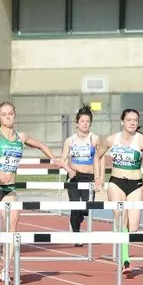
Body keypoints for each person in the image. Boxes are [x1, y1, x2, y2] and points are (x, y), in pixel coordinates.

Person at [0, 101, 67, 282]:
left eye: (11, 114)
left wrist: (53, 159)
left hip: (9, 190)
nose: (8, 117)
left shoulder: (21, 137)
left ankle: (6, 270)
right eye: (4, 114)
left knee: (12, 229)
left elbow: (41, 145)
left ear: (15, 115)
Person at [94, 108, 143, 276]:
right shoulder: (111, 139)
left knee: (134, 227)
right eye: (129, 120)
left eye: (135, 120)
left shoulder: (141, 140)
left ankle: (123, 246)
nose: (132, 123)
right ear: (122, 121)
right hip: (116, 183)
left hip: (135, 184)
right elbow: (97, 156)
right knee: (122, 219)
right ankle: (125, 260)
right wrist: (98, 177)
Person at [60, 104, 100, 245]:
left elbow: (99, 159)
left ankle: (80, 219)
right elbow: (62, 160)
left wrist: (98, 178)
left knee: (87, 208)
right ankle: (77, 236)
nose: (85, 124)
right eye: (82, 121)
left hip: (89, 176)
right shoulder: (70, 141)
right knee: (75, 207)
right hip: (74, 177)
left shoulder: (94, 139)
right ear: (77, 123)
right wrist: (68, 170)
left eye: (87, 121)